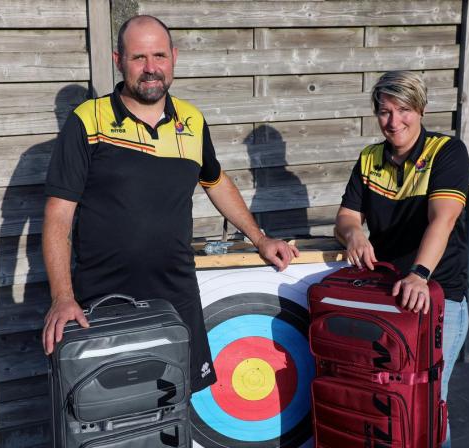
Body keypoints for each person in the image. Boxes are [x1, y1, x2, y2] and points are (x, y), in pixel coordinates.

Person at [41, 14, 299, 394]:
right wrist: (62, 297)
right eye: (138, 57)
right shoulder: (88, 121)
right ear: (118, 61)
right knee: (115, 408)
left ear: (174, 57)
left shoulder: (191, 120)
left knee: (177, 403)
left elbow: (215, 181)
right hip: (104, 300)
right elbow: (58, 215)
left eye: (159, 56)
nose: (151, 68)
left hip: (176, 297)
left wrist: (259, 239)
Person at [335, 71, 469, 448]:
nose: (394, 122)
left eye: (404, 110)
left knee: (427, 401)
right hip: (388, 295)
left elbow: (443, 219)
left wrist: (419, 274)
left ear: (421, 110)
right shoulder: (369, 158)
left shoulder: (447, 151)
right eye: (385, 111)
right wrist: (354, 233)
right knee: (384, 397)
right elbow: (346, 217)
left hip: (437, 295)